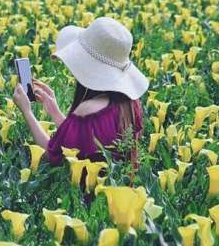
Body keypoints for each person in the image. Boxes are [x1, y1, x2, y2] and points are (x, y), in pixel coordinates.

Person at [13, 17, 148, 167]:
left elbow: (53, 157)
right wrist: (54, 111)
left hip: (85, 190)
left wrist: (27, 112)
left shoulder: (87, 110)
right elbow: (82, 142)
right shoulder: (130, 104)